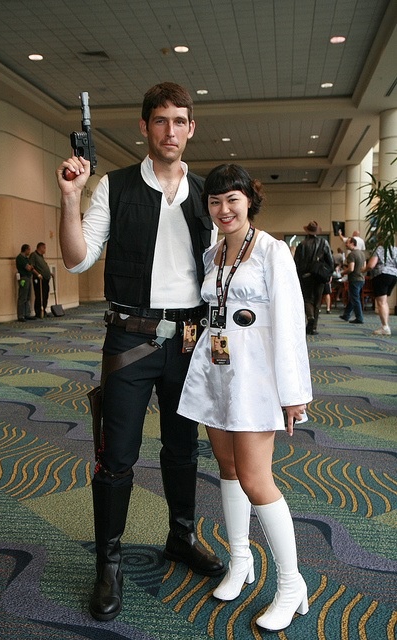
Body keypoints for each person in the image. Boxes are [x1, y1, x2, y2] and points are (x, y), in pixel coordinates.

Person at [56, 82, 224, 622]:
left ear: (191, 127)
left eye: (180, 121)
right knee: (116, 455)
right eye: (160, 121)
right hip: (130, 339)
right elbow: (78, 260)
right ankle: (109, 563)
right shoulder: (116, 187)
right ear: (145, 127)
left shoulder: (207, 194)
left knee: (181, 449)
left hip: (191, 341)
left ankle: (181, 536)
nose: (170, 131)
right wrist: (69, 197)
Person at [178, 164, 313, 632]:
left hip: (256, 380)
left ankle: (292, 584)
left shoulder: (272, 252)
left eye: (232, 199)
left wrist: (293, 394)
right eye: (215, 201)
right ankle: (241, 561)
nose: (224, 209)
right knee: (228, 469)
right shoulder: (213, 252)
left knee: (258, 480)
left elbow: (292, 325)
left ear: (249, 201)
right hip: (218, 376)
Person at [294, 221, 334, 335]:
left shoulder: (302, 244)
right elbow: (330, 262)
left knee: (307, 299)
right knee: (317, 301)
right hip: (319, 276)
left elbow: (296, 263)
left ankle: (310, 317)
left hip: (305, 276)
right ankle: (314, 327)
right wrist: (328, 274)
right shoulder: (324, 243)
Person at [366, 243, 397, 335]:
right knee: (384, 301)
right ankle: (386, 325)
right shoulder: (395, 249)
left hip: (381, 274)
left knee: (381, 302)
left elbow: (371, 265)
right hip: (394, 275)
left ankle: (385, 326)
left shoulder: (379, 249)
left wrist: (363, 269)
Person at [339, 237, 366, 324]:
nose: (346, 244)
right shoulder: (362, 254)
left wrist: (343, 273)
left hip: (354, 278)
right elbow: (364, 267)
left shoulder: (352, 255)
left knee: (355, 298)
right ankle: (346, 315)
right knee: (353, 297)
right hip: (361, 278)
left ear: (352, 243)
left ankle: (359, 317)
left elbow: (351, 268)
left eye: (347, 243)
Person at [15, 244, 37, 321]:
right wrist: (31, 267)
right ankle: (20, 315)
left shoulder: (26, 258)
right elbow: (29, 268)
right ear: (26, 250)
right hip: (23, 278)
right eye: (29, 250)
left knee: (28, 297)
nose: (29, 251)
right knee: (22, 297)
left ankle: (27, 313)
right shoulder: (20, 258)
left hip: (28, 277)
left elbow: (31, 267)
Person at [30, 242, 51, 318]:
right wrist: (38, 274)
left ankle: (43, 310)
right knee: (39, 295)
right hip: (39, 279)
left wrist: (50, 273)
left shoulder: (41, 256)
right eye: (44, 248)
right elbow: (31, 267)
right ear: (40, 248)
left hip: (45, 279)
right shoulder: (34, 255)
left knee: (45, 295)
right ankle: (38, 312)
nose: (45, 250)